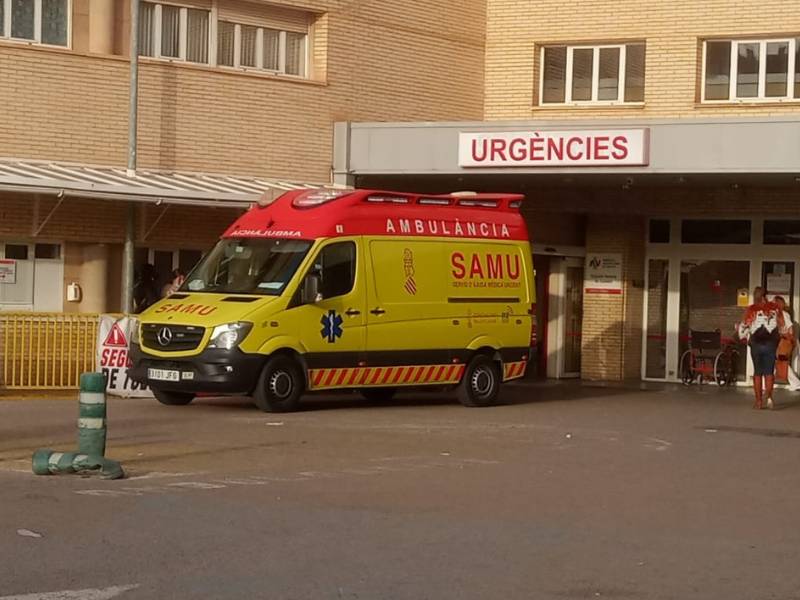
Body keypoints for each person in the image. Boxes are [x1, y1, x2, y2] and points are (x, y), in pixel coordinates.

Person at [738, 287, 787, 409]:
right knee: (769, 372)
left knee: (758, 372)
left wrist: (742, 334)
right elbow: (782, 326)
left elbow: (745, 326)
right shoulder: (775, 308)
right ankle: (769, 397)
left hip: (756, 344)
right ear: (766, 296)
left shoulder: (752, 309)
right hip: (770, 344)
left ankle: (759, 401)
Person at [774, 296, 800, 392]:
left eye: (775, 303)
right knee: (777, 361)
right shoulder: (778, 314)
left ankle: (796, 383)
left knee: (782, 362)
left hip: (785, 342)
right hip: (783, 341)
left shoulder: (784, 314)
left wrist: (784, 335)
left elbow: (790, 329)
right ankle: (767, 382)